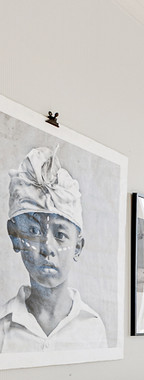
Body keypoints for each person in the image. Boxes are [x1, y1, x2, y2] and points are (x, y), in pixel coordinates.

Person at [0, 146, 108, 352]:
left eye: (60, 235)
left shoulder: (92, 327)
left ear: (78, 246)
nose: (47, 248)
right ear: (15, 237)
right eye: (33, 230)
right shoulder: (3, 327)